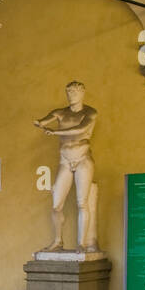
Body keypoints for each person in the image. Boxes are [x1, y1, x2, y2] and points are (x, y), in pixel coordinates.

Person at [33, 80, 99, 252]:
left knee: (81, 202)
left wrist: (55, 132)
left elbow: (80, 129)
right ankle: (57, 241)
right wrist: (40, 123)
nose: (71, 95)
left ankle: (82, 243)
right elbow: (46, 119)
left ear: (83, 93)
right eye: (69, 92)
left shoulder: (90, 112)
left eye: (75, 92)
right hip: (65, 159)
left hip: (83, 158)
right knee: (56, 205)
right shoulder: (60, 112)